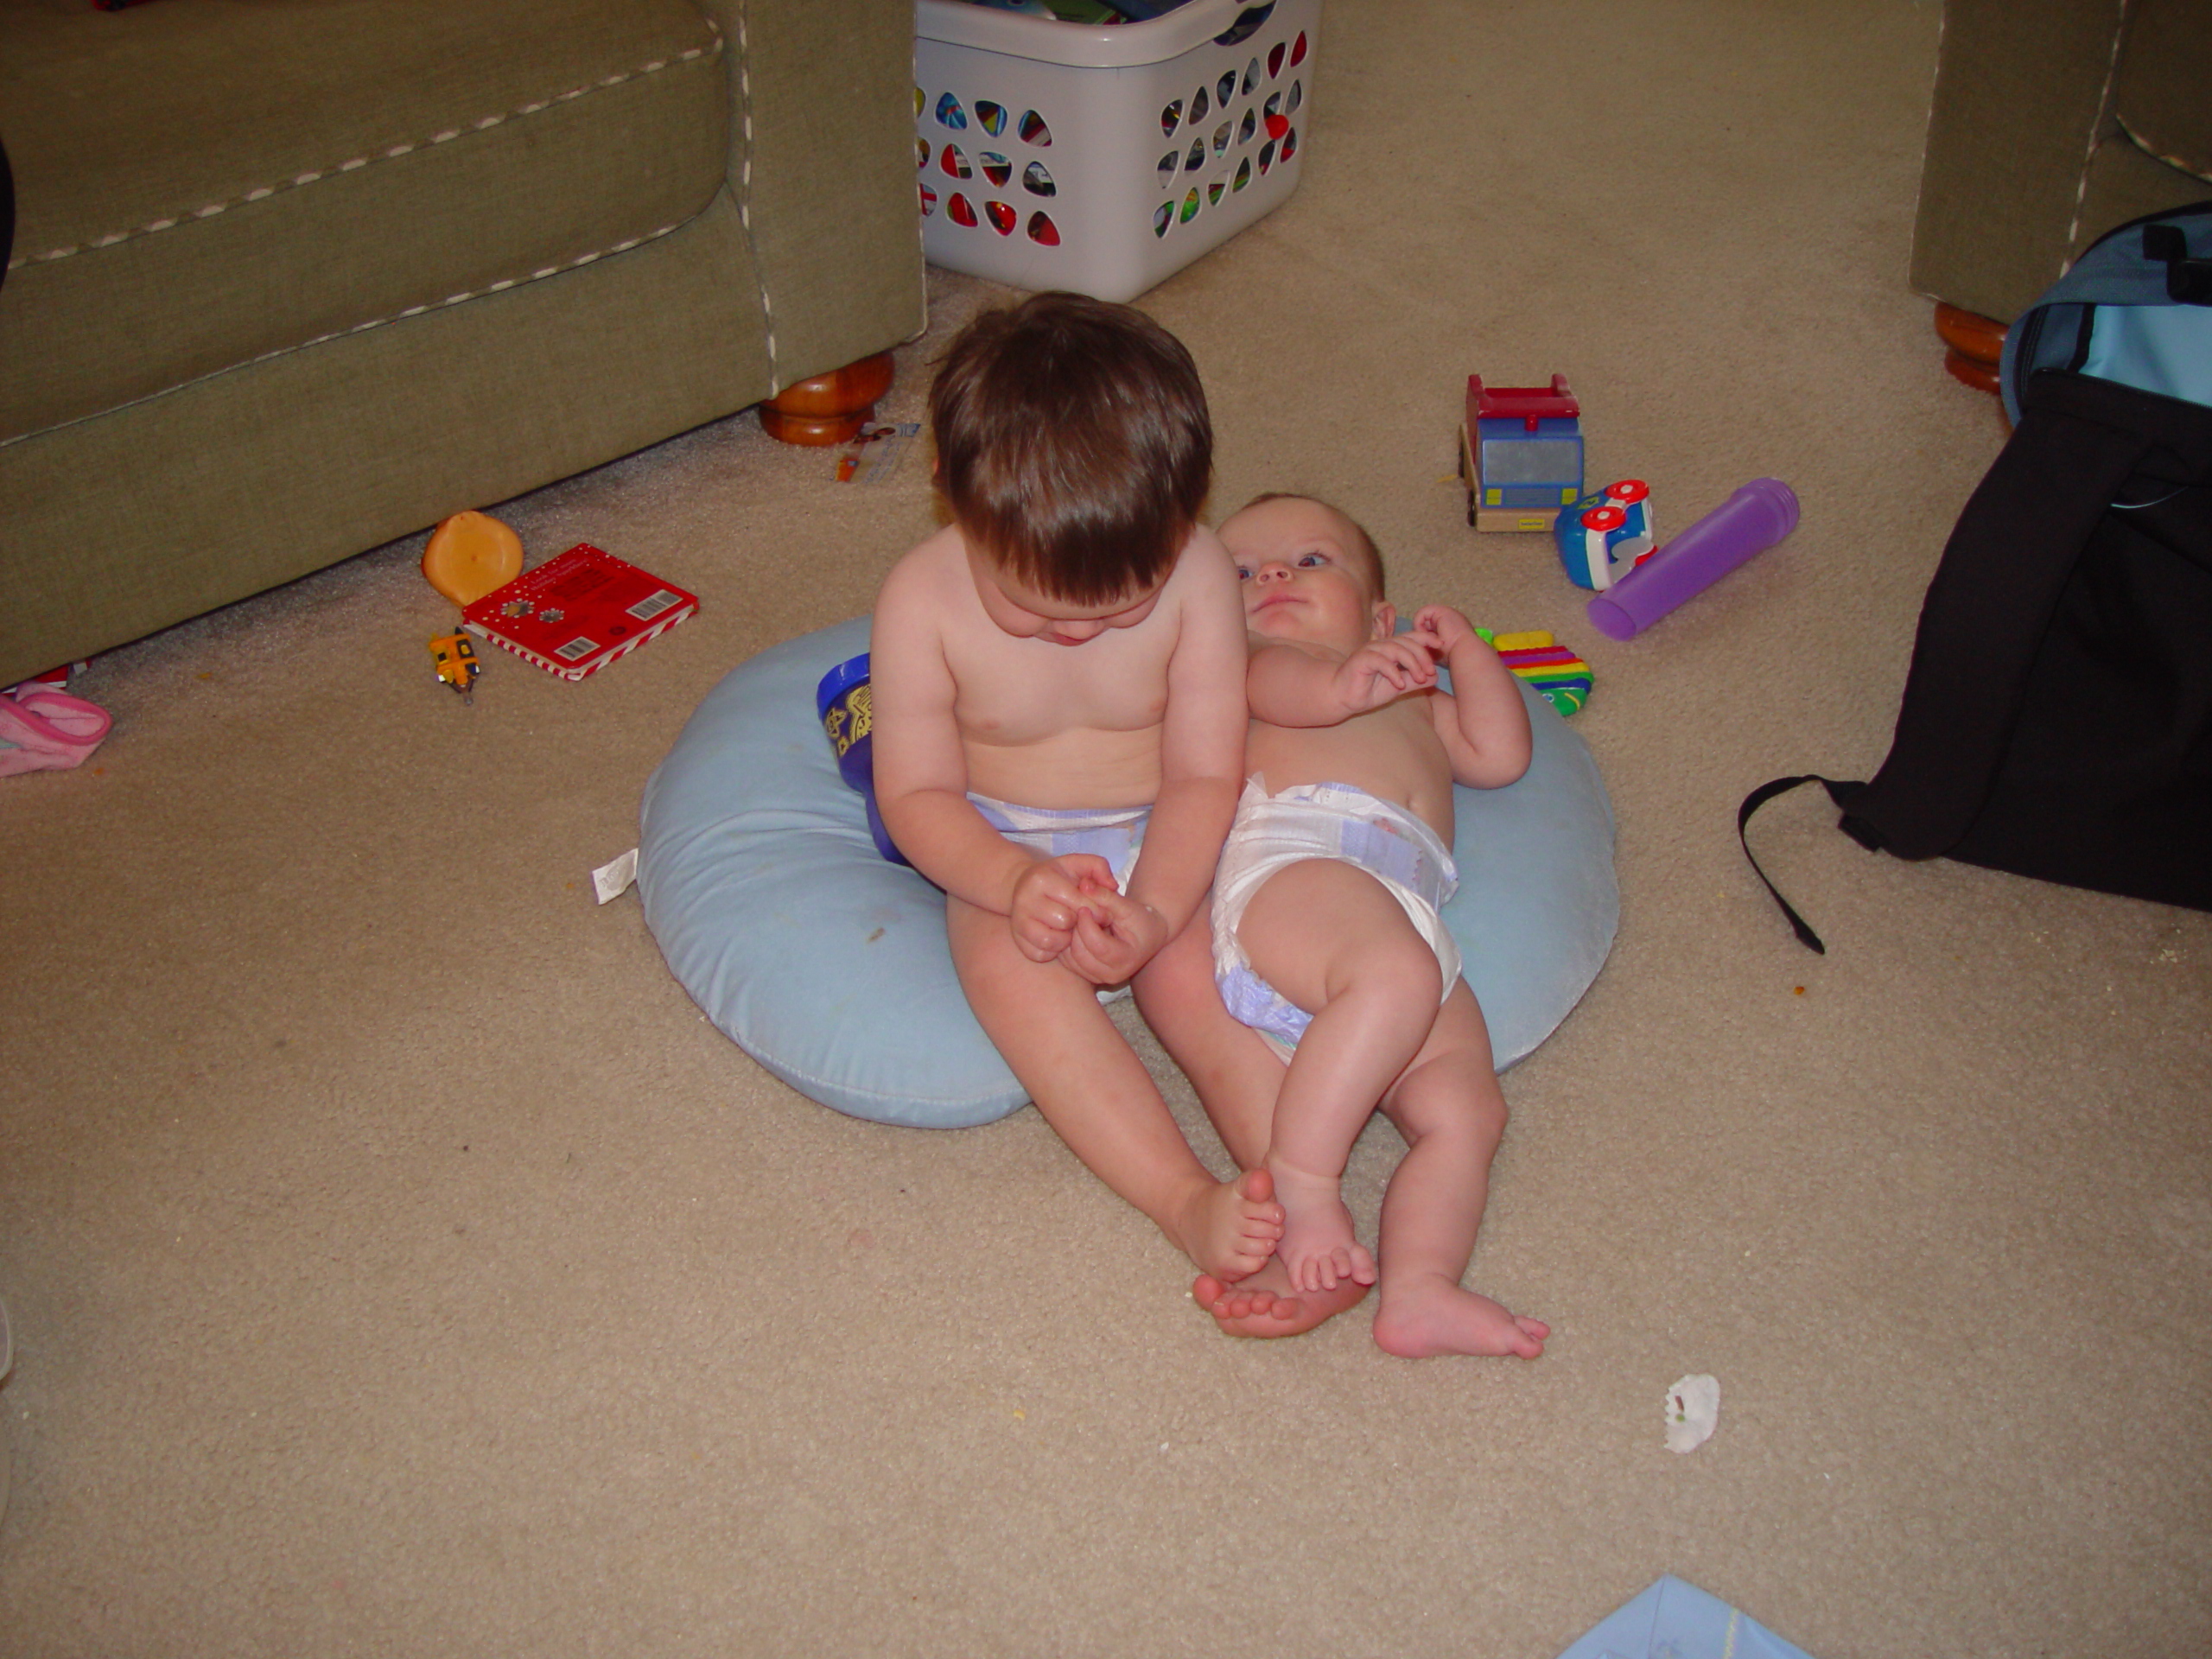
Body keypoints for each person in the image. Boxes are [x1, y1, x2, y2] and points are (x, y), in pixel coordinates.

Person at [868, 292, 1286, 1287]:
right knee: (1015, 977)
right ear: (948, 497)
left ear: (1183, 520)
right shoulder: (919, 602)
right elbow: (916, 796)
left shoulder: (1197, 577)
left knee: (1200, 977)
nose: (1076, 635)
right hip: (1001, 836)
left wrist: (1155, 908)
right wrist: (1012, 880)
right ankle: (1182, 1202)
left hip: (1165, 822)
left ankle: (1297, 1188)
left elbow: (1202, 771)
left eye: (1118, 608)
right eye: (1033, 608)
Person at [1136, 493, 1550, 1357]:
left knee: (1465, 1111)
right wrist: (1337, 682)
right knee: (1392, 975)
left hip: (1403, 909)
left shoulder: (1420, 702)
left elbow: (1501, 755)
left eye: (1311, 562)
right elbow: (1287, 682)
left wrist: (1467, 657)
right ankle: (1303, 1178)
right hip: (1296, 871)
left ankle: (1421, 1288)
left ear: (1381, 617)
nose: (1274, 577)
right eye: (1242, 574)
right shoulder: (1250, 670)